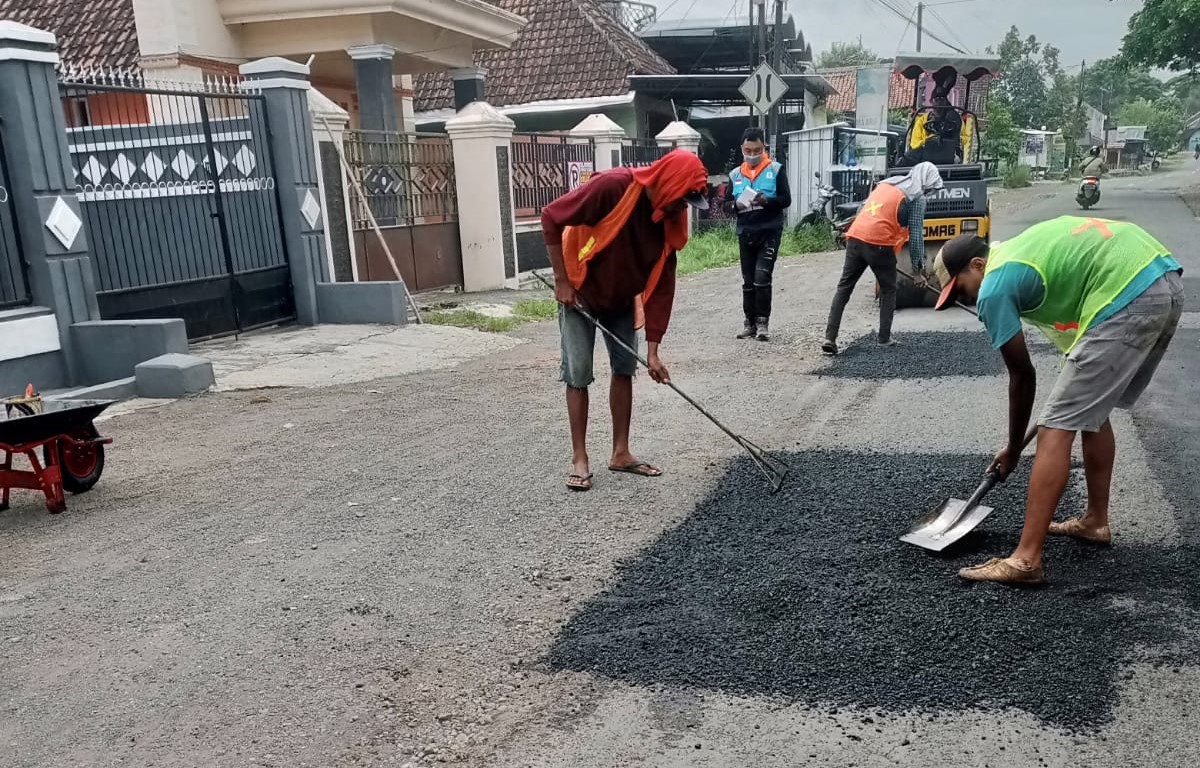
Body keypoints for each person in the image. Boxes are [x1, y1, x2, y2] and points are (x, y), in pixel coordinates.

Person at [933, 219, 1185, 585]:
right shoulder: (1015, 256)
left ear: (977, 265)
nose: (964, 300)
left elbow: (1022, 375)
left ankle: (1025, 560)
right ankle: (1095, 521)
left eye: (961, 290)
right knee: (1090, 414)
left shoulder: (994, 286)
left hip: (1128, 289)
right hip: (1161, 280)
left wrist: (1014, 448)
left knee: (1055, 427)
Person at [541, 149, 710, 492]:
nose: (682, 210)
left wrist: (653, 352)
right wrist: (561, 281)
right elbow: (550, 217)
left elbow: (662, 289)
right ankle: (580, 458)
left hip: (620, 297)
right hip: (579, 288)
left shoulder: (668, 222)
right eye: (681, 200)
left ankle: (620, 452)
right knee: (578, 372)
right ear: (669, 184)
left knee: (624, 368)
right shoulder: (613, 187)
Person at [821, 162, 944, 355]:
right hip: (878, 243)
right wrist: (918, 271)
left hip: (855, 237)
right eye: (930, 188)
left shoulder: (888, 184)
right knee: (888, 289)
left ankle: (830, 338)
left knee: (844, 288)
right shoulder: (916, 197)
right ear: (926, 182)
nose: (929, 192)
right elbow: (917, 235)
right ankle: (884, 338)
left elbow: (863, 210)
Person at [728, 127, 792, 341]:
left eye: (756, 150)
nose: (752, 154)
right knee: (748, 280)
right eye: (748, 150)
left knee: (762, 276)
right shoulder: (735, 174)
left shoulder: (775, 169)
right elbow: (725, 203)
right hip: (745, 230)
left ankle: (763, 323)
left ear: (763, 147)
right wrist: (735, 205)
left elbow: (786, 199)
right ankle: (750, 324)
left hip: (769, 230)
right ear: (742, 149)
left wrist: (767, 201)